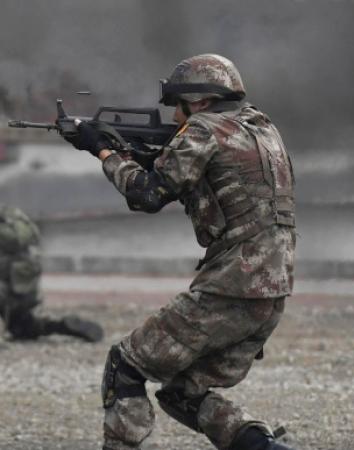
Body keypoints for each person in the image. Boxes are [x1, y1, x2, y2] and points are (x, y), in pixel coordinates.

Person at [66, 54, 296, 450]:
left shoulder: (203, 129)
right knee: (182, 392)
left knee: (125, 365)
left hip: (231, 287)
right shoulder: (262, 128)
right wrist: (144, 156)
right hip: (272, 292)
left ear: (201, 101)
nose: (174, 116)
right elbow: (216, 178)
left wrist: (104, 151)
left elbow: (147, 195)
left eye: (179, 105)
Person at [0, 204, 103, 342]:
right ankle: (60, 325)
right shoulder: (14, 216)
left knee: (19, 326)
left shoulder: (8, 231)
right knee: (24, 328)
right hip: (26, 292)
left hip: (8, 294)